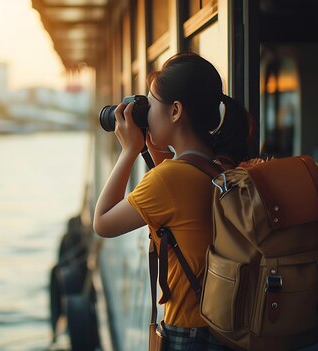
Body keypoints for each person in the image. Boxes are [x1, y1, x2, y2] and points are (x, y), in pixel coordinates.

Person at [93, 52, 254, 351]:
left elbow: (102, 222)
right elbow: (174, 193)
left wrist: (129, 150)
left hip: (190, 334)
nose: (146, 113)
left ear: (176, 111)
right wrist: (152, 142)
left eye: (151, 105)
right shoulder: (220, 165)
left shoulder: (169, 180)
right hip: (225, 330)